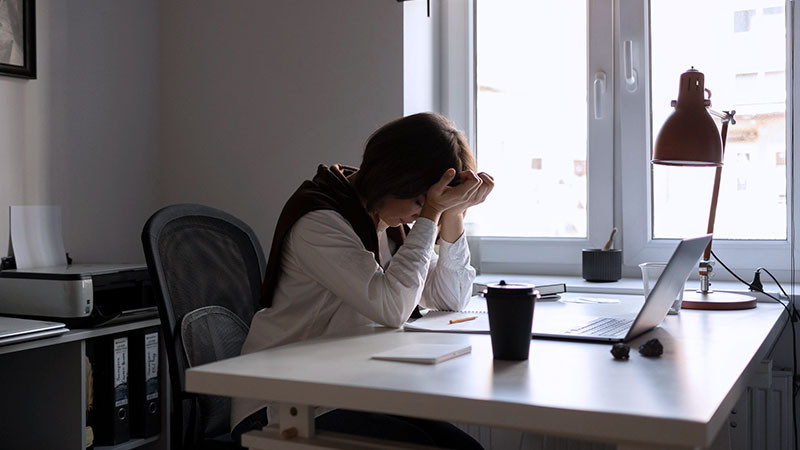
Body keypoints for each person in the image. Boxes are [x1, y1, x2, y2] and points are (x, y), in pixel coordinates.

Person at [231, 112, 493, 449]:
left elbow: (450, 298)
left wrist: (452, 212)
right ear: (394, 178)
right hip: (280, 403)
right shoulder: (320, 220)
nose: (418, 215)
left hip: (343, 390)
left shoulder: (388, 222)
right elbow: (392, 307)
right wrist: (431, 215)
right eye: (418, 201)